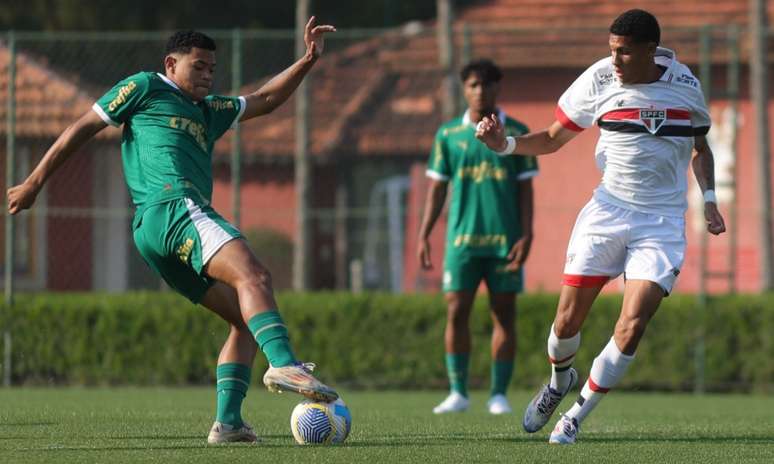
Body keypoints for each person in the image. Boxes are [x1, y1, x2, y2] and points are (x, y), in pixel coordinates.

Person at [7, 18, 339, 445]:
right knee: (254, 276)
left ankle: (229, 423)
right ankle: (286, 363)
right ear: (171, 63)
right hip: (172, 207)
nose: (206, 74)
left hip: (154, 233)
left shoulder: (210, 111)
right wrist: (34, 181)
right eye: (198, 66)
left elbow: (267, 98)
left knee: (245, 319)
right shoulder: (146, 87)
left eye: (211, 68)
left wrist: (307, 60)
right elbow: (83, 127)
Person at [476, 9, 726, 443]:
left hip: (661, 222)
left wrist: (708, 199)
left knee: (632, 324)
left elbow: (699, 148)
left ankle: (574, 417)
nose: (614, 60)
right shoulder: (600, 79)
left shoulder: (686, 86)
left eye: (624, 52)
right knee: (565, 325)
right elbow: (554, 137)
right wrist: (506, 145)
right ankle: (558, 381)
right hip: (608, 212)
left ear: (650, 51)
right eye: (611, 50)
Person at [418, 59, 538, 415]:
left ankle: (498, 394)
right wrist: (425, 233)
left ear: (498, 88)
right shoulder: (449, 135)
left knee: (504, 313)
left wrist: (528, 233)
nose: (480, 91)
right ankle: (458, 392)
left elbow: (525, 190)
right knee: (456, 310)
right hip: (462, 242)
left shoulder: (516, 131)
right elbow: (436, 188)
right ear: (464, 89)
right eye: (472, 85)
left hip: (505, 241)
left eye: (486, 85)